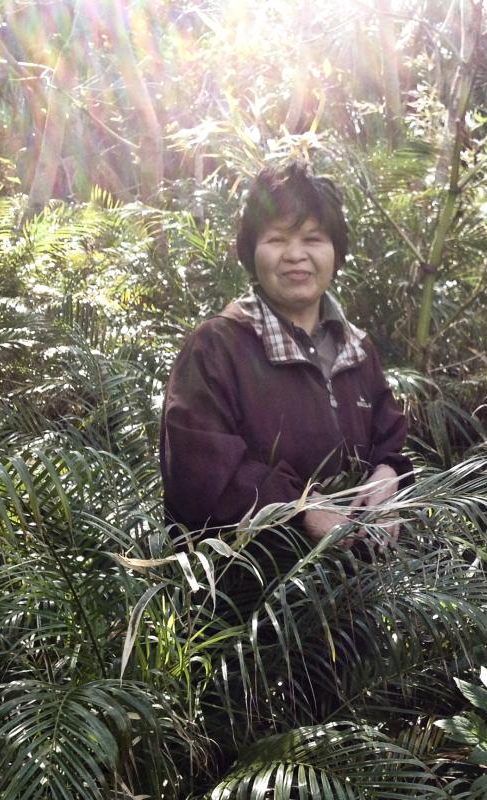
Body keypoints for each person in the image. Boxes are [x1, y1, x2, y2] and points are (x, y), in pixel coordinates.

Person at [159, 161, 411, 552]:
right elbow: (198, 469)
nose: (295, 255)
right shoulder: (217, 347)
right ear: (252, 251)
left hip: (357, 580)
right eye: (277, 239)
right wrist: (299, 509)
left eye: (313, 239)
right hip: (251, 582)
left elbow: (389, 436)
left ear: (335, 252)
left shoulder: (358, 350)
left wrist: (388, 472)